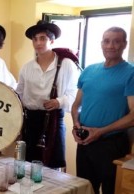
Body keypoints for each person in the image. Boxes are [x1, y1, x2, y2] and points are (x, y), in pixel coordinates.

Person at [71, 27, 134, 194]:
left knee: (110, 190)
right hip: (84, 142)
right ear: (101, 44)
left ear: (124, 44)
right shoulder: (89, 70)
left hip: (111, 144)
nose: (111, 46)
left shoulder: (131, 73)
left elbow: (133, 117)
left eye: (116, 41)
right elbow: (76, 105)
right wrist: (76, 126)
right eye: (107, 41)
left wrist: (101, 131)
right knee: (85, 188)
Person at [16, 21, 80, 170]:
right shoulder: (27, 67)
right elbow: (18, 93)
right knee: (29, 165)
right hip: (31, 120)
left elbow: (74, 94)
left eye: (43, 38)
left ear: (51, 40)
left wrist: (59, 101)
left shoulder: (66, 64)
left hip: (54, 119)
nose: (38, 42)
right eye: (35, 39)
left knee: (52, 166)